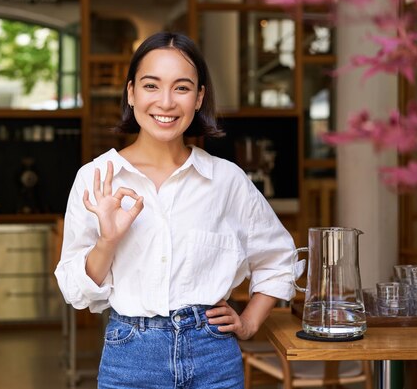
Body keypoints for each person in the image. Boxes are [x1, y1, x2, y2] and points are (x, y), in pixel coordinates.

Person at [54, 32, 298, 389]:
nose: (165, 102)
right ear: (131, 92)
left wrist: (248, 323)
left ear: (199, 98)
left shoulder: (226, 180)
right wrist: (108, 241)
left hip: (213, 357)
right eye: (151, 86)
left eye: (181, 88)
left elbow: (279, 258)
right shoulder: (96, 178)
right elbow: (77, 292)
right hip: (129, 358)